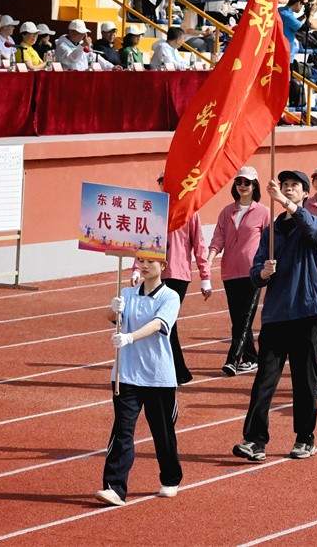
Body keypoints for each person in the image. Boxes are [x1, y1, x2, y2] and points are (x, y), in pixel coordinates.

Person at [233, 171, 317, 463]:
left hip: (306, 310)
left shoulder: (313, 222)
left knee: (304, 379)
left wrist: (286, 203)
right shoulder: (270, 232)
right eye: (284, 185)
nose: (288, 189)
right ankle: (254, 439)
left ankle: (304, 437)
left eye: (294, 187)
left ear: (304, 193)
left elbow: (314, 234)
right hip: (276, 314)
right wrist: (262, 273)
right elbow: (255, 273)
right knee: (265, 379)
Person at [95, 251, 184, 506]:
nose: (144, 266)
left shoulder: (170, 296)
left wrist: (130, 337)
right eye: (141, 261)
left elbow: (158, 324)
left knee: (163, 431)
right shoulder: (128, 293)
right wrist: (114, 310)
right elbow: (114, 319)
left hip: (158, 377)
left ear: (163, 265)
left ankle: (170, 477)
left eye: (150, 262)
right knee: (122, 429)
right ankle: (114, 487)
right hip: (127, 373)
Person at [208, 167, 271, 376]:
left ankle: (232, 359)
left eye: (247, 182)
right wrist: (209, 261)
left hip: (253, 273)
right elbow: (218, 238)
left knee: (245, 317)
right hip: (229, 272)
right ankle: (252, 357)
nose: (243, 186)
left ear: (255, 186)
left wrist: (267, 266)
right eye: (239, 182)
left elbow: (270, 241)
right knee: (239, 319)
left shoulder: (263, 212)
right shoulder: (227, 211)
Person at [154, 171, 209, 385]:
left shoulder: (189, 212)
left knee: (167, 322)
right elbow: (143, 242)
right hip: (156, 275)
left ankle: (178, 372)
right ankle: (175, 371)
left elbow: (199, 245)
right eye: (162, 182)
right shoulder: (154, 211)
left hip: (178, 274)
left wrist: (205, 277)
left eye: (168, 182)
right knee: (163, 323)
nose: (164, 186)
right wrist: (137, 270)